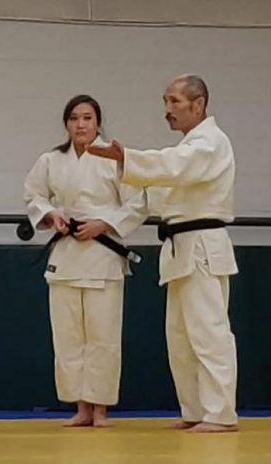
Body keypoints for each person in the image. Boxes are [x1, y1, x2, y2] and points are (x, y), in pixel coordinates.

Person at [87, 75, 239, 433]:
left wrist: (128, 157)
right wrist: (106, 224)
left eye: (174, 102)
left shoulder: (209, 143)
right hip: (178, 247)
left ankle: (221, 413)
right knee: (180, 336)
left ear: (198, 104)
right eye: (165, 101)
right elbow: (149, 196)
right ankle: (196, 409)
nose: (167, 110)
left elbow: (173, 166)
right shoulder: (186, 150)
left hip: (202, 244)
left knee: (209, 331)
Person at [23, 94, 147, 427]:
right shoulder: (51, 160)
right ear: (66, 124)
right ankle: (80, 407)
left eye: (88, 118)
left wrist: (103, 224)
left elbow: (137, 204)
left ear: (98, 123)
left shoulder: (114, 160)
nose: (81, 124)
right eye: (75, 118)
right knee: (68, 337)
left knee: (103, 336)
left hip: (102, 255)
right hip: (66, 255)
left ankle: (101, 408)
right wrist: (52, 215)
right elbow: (33, 194)